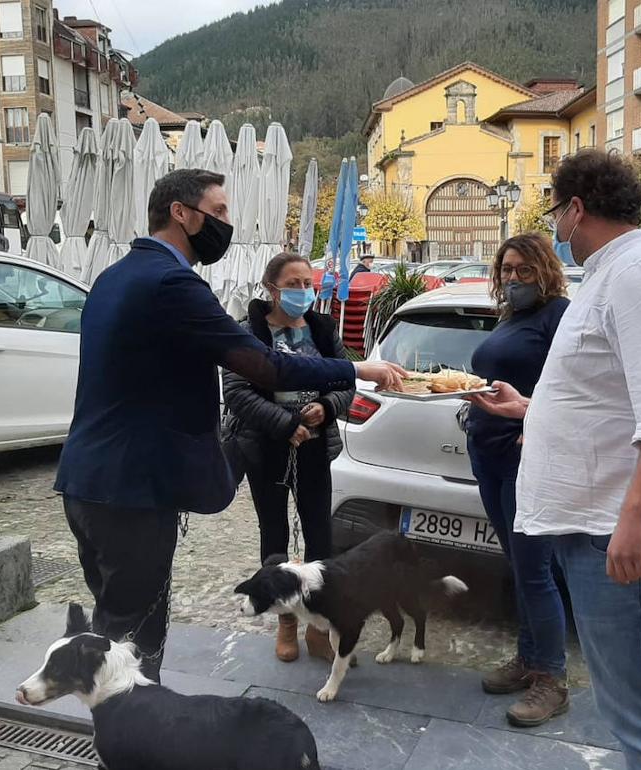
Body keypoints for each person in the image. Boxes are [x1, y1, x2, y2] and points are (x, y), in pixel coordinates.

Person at [54, 169, 405, 682]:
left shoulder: (115, 275)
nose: (226, 223)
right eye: (218, 212)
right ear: (181, 213)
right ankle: (133, 739)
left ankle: (126, 730)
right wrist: (357, 367)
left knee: (115, 623)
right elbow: (264, 365)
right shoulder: (172, 282)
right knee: (136, 639)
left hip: (87, 483)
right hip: (134, 490)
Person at [470, 150, 641, 770]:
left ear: (576, 208)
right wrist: (532, 409)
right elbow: (614, 398)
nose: (556, 227)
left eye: (556, 212)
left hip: (621, 531)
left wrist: (635, 515)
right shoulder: (615, 273)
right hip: (603, 521)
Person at [222, 252, 354, 663]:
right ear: (271, 288)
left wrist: (328, 407)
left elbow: (346, 378)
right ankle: (284, 621)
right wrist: (283, 423)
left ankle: (320, 622)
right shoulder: (249, 334)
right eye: (293, 284)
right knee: (274, 536)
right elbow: (237, 392)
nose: (302, 291)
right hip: (267, 447)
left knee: (321, 538)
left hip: (315, 447)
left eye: (307, 283)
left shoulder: (322, 328)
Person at [467, 233, 571, 727]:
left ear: (544, 271)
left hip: (523, 456)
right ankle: (529, 658)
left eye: (523, 270)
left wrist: (536, 422)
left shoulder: (559, 316)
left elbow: (574, 386)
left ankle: (552, 677)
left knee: (535, 569)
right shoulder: (512, 317)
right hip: (486, 451)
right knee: (518, 562)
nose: (512, 278)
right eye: (506, 270)